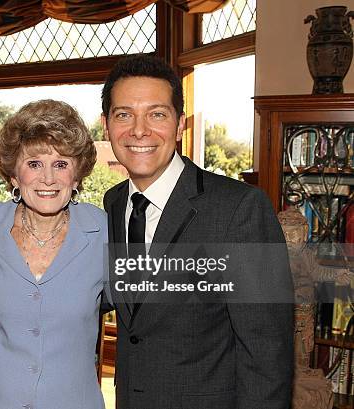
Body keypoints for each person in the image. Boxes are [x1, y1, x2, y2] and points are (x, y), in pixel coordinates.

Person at [101, 54, 293, 409]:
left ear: (179, 124)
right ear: (106, 125)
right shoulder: (113, 203)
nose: (139, 130)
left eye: (156, 114)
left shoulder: (239, 209)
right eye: (124, 114)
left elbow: (267, 351)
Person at [0, 99, 107, 409]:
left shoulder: (103, 232)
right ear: (14, 175)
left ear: (77, 174)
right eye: (34, 163)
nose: (48, 178)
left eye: (60, 163)